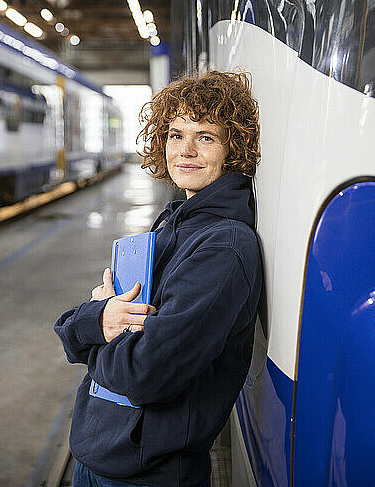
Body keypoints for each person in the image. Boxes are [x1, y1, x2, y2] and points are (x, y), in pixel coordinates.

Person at [55, 70, 263, 487]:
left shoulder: (224, 247)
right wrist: (98, 321)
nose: (184, 151)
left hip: (148, 474)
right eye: (175, 134)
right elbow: (71, 331)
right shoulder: (173, 221)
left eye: (205, 137)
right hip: (99, 453)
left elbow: (143, 375)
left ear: (234, 150)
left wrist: (94, 328)